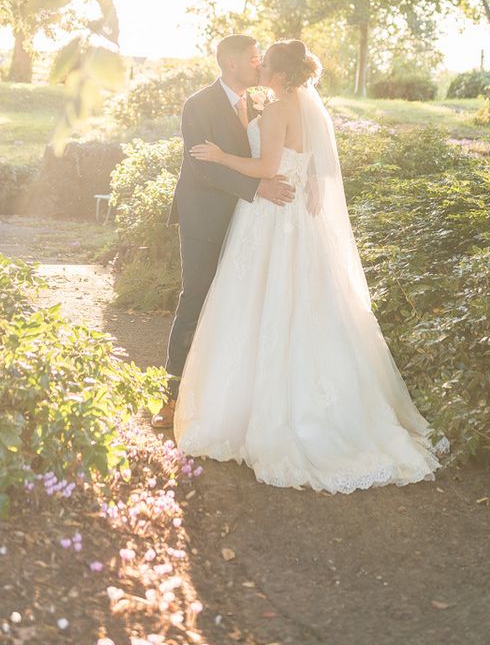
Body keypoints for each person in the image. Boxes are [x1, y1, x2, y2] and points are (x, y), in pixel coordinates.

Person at [173, 38, 449, 492]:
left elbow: (267, 166)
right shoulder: (299, 104)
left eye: (264, 62)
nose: (258, 66)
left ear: (278, 74)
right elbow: (314, 147)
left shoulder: (279, 107)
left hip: (271, 213)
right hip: (294, 215)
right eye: (253, 59)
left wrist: (223, 156)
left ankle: (249, 412)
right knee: (296, 302)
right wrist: (314, 175)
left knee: (259, 300)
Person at [152, 35, 296, 430]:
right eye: (254, 59)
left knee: (237, 308)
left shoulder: (262, 103)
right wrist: (257, 188)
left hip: (251, 222)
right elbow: (203, 168)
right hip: (206, 219)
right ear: (232, 64)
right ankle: (171, 396)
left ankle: (224, 397)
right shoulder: (198, 105)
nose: (259, 64)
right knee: (195, 298)